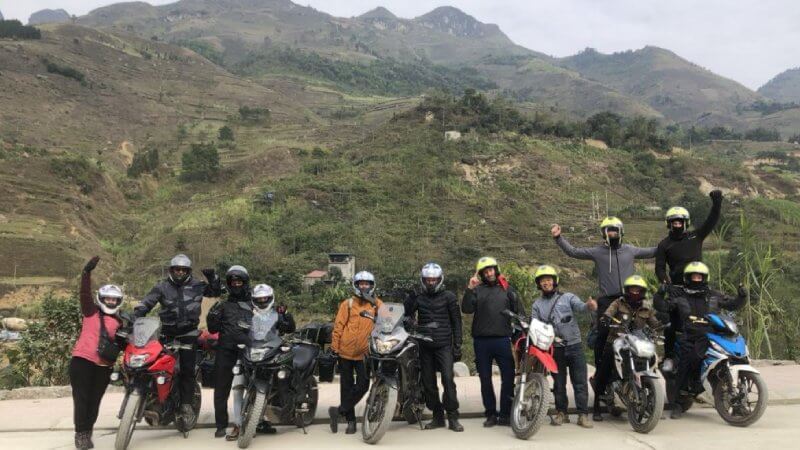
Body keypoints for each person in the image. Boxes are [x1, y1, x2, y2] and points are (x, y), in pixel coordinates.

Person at [551, 217, 656, 368]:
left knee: (639, 330)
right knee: (603, 333)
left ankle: (637, 367)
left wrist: (672, 241)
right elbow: (573, 252)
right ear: (603, 233)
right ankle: (600, 369)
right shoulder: (597, 252)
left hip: (630, 299)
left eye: (614, 230)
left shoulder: (630, 250)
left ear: (621, 232)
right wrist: (558, 238)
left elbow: (653, 251)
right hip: (607, 300)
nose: (612, 233)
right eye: (608, 231)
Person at [133, 254, 220, 429]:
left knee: (187, 372)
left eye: (183, 270)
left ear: (188, 271)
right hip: (166, 334)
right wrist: (135, 315)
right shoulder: (161, 286)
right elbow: (146, 304)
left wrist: (212, 278)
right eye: (177, 269)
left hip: (189, 334)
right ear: (171, 270)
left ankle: (186, 406)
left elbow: (215, 292)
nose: (180, 272)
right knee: (156, 367)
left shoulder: (197, 285)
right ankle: (155, 401)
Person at [666, 262, 748, 419]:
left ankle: (738, 404)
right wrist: (660, 296)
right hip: (689, 336)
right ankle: (677, 403)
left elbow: (732, 305)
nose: (696, 279)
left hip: (712, 335)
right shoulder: (680, 296)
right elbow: (664, 307)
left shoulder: (714, 295)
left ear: (705, 278)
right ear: (687, 278)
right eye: (693, 276)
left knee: (735, 357)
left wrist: (742, 296)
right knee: (687, 361)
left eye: (699, 276)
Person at [654, 190, 723, 361]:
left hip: (699, 287)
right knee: (671, 325)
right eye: (674, 222)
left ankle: (717, 353)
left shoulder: (696, 236)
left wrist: (717, 203)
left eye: (680, 221)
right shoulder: (664, 244)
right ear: (668, 224)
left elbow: (711, 221)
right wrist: (668, 285)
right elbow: (660, 268)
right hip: (678, 289)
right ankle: (669, 357)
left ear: (686, 223)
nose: (677, 224)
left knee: (712, 320)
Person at [221, 282, 295, 440]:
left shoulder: (277, 313)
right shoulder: (246, 313)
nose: (262, 302)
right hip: (248, 353)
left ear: (271, 298)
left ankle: (262, 419)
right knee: (238, 387)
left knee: (277, 382)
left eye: (265, 299)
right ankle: (238, 424)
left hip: (268, 354)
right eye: (258, 299)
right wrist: (241, 339)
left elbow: (289, 328)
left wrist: (287, 315)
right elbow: (237, 331)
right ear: (253, 299)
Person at [529, 265, 597, 428]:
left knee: (579, 382)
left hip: (574, 345)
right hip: (554, 349)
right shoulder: (537, 305)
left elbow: (581, 307)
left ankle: (582, 415)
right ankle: (562, 413)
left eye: (548, 279)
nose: (546, 283)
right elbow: (534, 325)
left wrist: (589, 306)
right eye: (542, 281)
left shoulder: (568, 297)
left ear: (554, 281)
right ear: (539, 284)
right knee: (559, 383)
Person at [70, 256, 127, 450]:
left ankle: (88, 431)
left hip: (103, 366)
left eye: (114, 299)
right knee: (81, 399)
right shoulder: (90, 311)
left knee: (94, 401)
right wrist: (86, 273)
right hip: (82, 362)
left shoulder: (120, 322)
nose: (110, 301)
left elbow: (124, 343)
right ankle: (81, 435)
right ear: (101, 299)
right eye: (107, 298)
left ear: (119, 301)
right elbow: (84, 293)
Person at [461, 257, 525, 427]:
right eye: (485, 271)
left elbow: (519, 314)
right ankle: (490, 414)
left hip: (503, 340)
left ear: (496, 270)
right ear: (482, 274)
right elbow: (466, 309)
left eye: (491, 269)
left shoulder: (508, 289)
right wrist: (469, 288)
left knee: (508, 377)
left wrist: (518, 337)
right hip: (481, 342)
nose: (489, 273)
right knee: (485, 379)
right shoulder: (477, 290)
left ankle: (505, 414)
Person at [592, 275, 661, 421]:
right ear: (627, 290)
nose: (635, 292)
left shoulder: (646, 306)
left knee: (650, 363)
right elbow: (608, 313)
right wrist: (605, 319)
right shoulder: (618, 303)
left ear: (642, 291)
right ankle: (596, 406)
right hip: (617, 340)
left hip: (638, 341)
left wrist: (661, 326)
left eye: (638, 289)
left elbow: (654, 323)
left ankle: (653, 405)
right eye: (632, 289)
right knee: (604, 369)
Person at [404, 263, 464, 432]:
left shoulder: (449, 297)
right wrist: (411, 297)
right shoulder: (419, 297)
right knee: (428, 383)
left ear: (440, 279)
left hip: (444, 344)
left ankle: (453, 417)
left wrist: (457, 345)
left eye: (434, 279)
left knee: (448, 380)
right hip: (424, 345)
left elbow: (456, 323)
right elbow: (406, 314)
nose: (431, 282)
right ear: (423, 280)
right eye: (428, 280)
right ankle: (438, 416)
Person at [329, 271, 384, 434]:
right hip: (345, 352)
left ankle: (339, 410)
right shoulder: (348, 304)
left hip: (364, 353)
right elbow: (338, 327)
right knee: (346, 387)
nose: (364, 286)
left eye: (367, 283)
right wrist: (334, 348)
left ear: (372, 286)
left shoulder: (377, 304)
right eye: (361, 283)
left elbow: (390, 319)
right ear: (356, 285)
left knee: (362, 385)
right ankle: (350, 421)